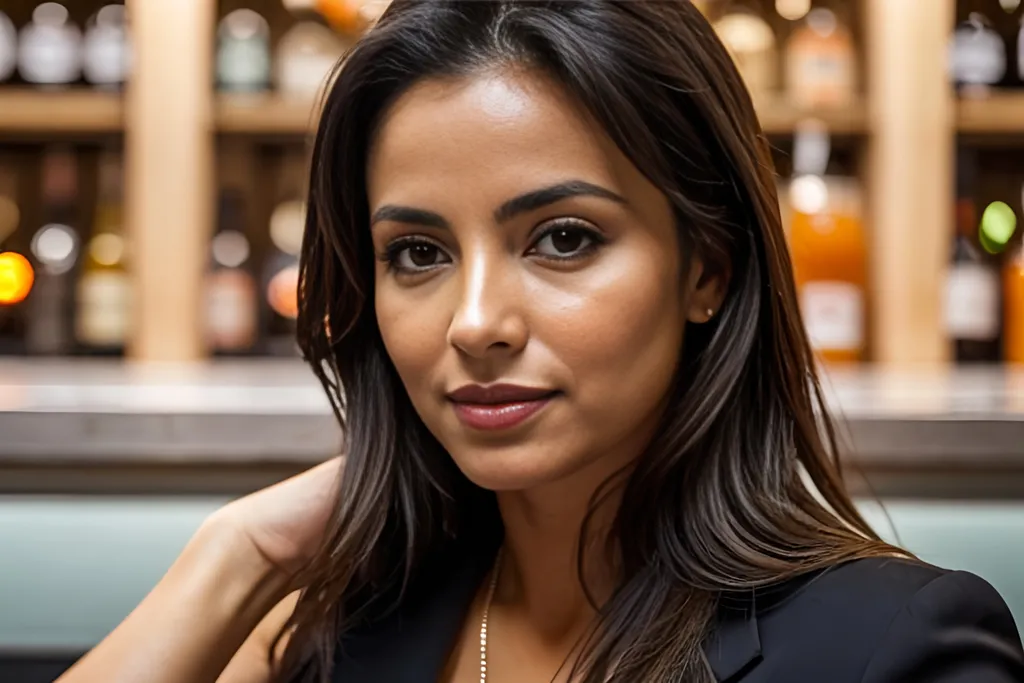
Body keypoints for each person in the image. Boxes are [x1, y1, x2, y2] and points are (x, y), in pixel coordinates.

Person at [57, 2, 1024, 682]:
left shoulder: (896, 647)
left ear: (708, 269)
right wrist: (234, 553)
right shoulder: (332, 629)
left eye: (564, 239)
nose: (475, 322)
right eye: (418, 252)